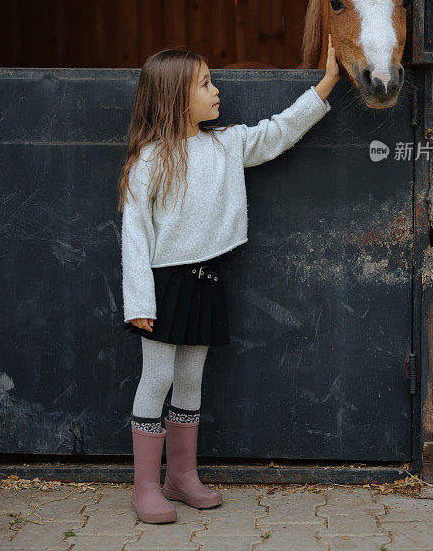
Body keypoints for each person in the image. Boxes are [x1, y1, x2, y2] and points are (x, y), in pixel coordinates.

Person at [118, 37, 339, 524]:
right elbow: (134, 235)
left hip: (206, 280)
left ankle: (181, 476)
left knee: (192, 379)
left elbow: (278, 131)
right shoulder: (148, 160)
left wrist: (325, 84)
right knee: (156, 379)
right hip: (163, 286)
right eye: (205, 84)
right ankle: (146, 487)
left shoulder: (226, 143)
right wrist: (139, 300)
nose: (217, 90)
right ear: (176, 97)